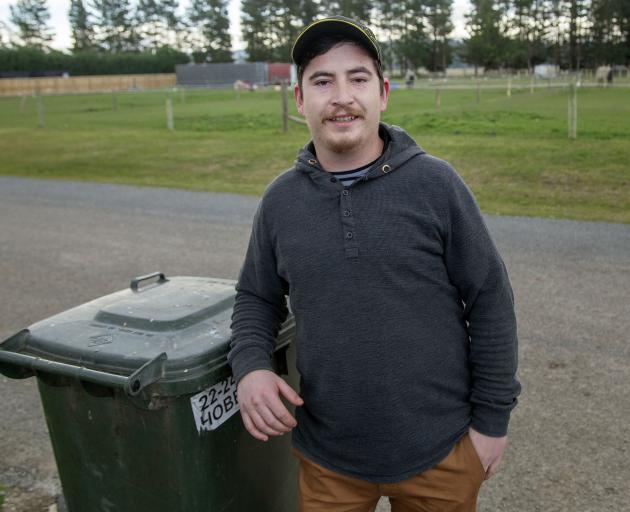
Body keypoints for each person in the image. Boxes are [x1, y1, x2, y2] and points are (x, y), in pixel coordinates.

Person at [228, 15, 520, 512]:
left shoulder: (436, 185)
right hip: (328, 458)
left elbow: (490, 299)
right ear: (300, 100)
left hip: (441, 451)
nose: (341, 96)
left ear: (382, 92)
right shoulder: (281, 201)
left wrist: (491, 422)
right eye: (322, 81)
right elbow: (257, 297)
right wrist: (250, 367)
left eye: (357, 78)